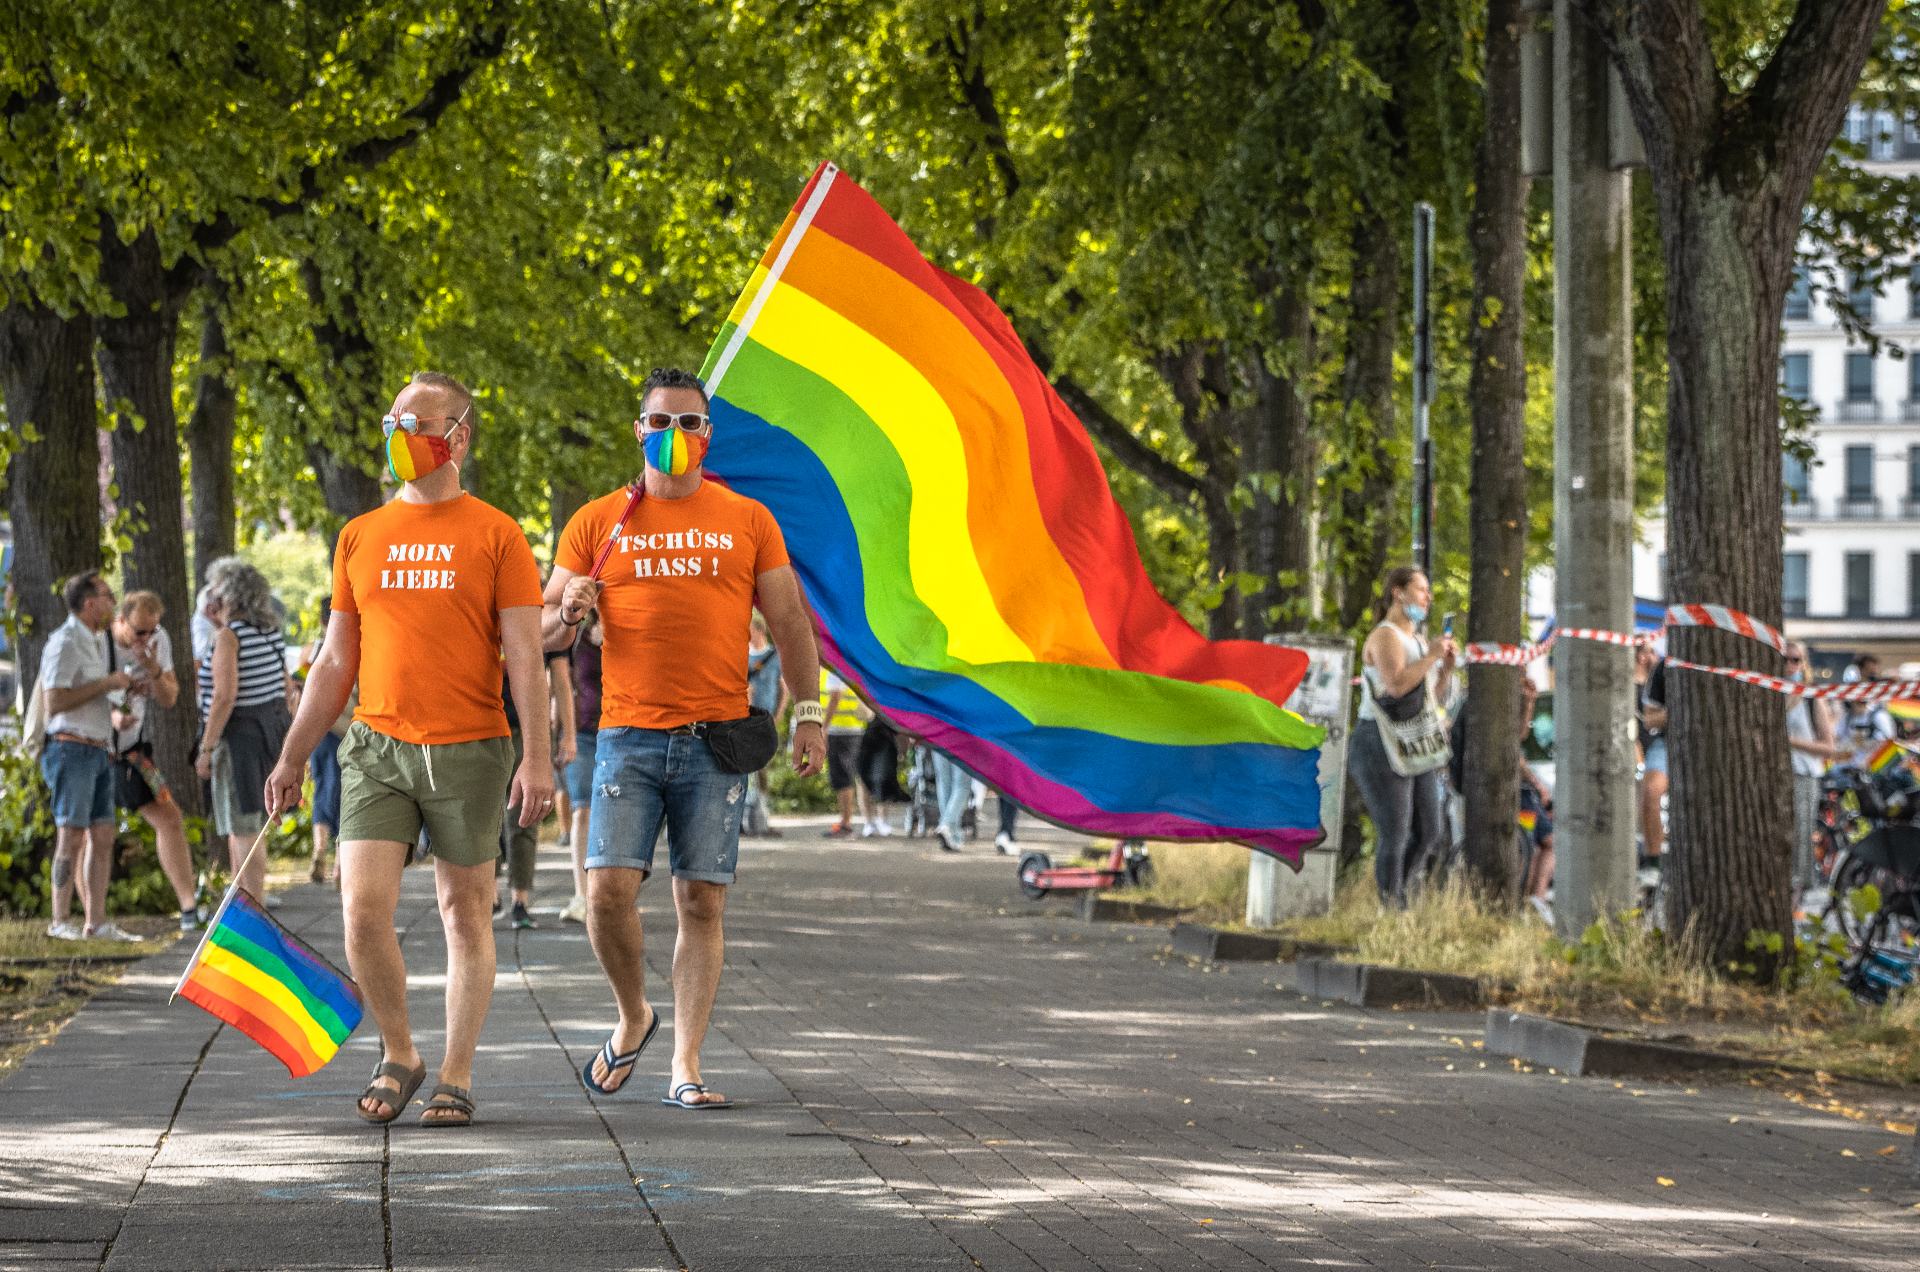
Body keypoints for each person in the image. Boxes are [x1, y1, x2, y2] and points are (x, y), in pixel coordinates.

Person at [265, 370, 553, 1128]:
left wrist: (540, 755)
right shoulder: (359, 535)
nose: (400, 432)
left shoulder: (497, 533)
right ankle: (401, 1051)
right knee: (361, 910)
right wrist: (293, 754)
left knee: (465, 913)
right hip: (377, 747)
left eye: (416, 420)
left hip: (471, 749)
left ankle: (455, 1071)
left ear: (457, 435)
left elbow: (525, 656)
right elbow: (334, 661)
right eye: (394, 417)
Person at [544, 366, 825, 1109]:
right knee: (606, 892)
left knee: (701, 901)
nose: (675, 436)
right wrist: (570, 611)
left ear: (708, 435)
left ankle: (687, 1064)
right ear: (639, 430)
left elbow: (791, 622)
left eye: (689, 424)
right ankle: (634, 1013)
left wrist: (809, 711)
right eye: (661, 423)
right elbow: (539, 626)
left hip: (715, 739)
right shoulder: (599, 520)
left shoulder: (747, 518)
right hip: (628, 735)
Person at [38, 573, 142, 942]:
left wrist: (114, 704)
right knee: (71, 835)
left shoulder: (94, 641)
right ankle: (60, 919)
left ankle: (95, 922)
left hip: (98, 749)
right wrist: (106, 684)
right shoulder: (64, 642)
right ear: (89, 603)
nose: (113, 602)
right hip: (71, 748)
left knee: (103, 835)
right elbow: (55, 702)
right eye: (107, 596)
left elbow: (90, 696)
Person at [1348, 566, 1455, 907]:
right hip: (1379, 741)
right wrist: (1431, 657)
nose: (1428, 598)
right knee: (1395, 833)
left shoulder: (1419, 641)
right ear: (1398, 592)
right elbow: (1395, 686)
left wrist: (1445, 668)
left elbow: (1429, 699)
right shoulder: (1385, 636)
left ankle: (1402, 898)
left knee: (1430, 831)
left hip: (1414, 742)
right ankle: (1390, 908)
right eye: (1422, 590)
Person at [195, 556, 295, 905]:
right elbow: (286, 687)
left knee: (241, 825)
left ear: (230, 596)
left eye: (216, 589)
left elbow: (224, 697)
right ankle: (248, 896)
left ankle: (250, 902)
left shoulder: (229, 637)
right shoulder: (270, 632)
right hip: (271, 730)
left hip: (239, 738)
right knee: (254, 820)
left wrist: (206, 749)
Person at [109, 591, 203, 931]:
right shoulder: (102, 642)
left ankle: (188, 906)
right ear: (121, 621)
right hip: (99, 747)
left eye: (152, 630)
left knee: (170, 816)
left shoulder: (157, 640)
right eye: (139, 632)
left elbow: (170, 696)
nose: (146, 638)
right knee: (93, 830)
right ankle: (87, 919)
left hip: (134, 750)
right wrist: (112, 716)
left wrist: (151, 665)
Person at [497, 637, 573, 928]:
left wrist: (568, 734)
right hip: (486, 726)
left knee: (525, 816)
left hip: (529, 730)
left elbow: (561, 678)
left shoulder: (548, 619)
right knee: (484, 815)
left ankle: (520, 900)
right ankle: (489, 896)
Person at [1784, 642, 1845, 897]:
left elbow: (1828, 746)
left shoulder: (1810, 698)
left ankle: (1797, 896)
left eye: (1796, 660)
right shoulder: (1768, 693)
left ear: (1803, 663)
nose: (1789, 665)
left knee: (1799, 835)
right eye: (1785, 659)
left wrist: (1791, 742)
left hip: (1803, 774)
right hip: (1775, 775)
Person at [301, 599, 354, 885]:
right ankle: (340, 863)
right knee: (349, 795)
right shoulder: (359, 645)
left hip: (321, 731)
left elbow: (300, 689)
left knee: (323, 790)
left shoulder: (312, 651)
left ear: (323, 621)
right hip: (350, 731)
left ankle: (319, 848)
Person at [559, 609, 603, 924]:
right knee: (582, 810)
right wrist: (567, 736)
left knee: (614, 814)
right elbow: (562, 684)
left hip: (625, 733)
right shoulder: (577, 638)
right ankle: (581, 894)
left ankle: (610, 896)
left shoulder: (630, 629)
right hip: (584, 733)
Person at [744, 614, 787, 838]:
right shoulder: (741, 656)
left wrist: (778, 715)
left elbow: (784, 689)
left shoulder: (774, 656)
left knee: (762, 766)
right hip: (743, 719)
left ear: (759, 630)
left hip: (766, 718)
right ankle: (744, 817)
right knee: (742, 765)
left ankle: (762, 814)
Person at [819, 668, 868, 837]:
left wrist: (824, 728)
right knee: (845, 775)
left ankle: (846, 823)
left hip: (840, 730)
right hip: (852, 727)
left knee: (842, 776)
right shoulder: (846, 665)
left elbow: (835, 697)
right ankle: (846, 820)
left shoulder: (834, 668)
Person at [1633, 642, 1668, 863]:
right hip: (1668, 742)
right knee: (1651, 790)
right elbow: (1649, 718)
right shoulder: (1663, 669)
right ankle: (1653, 861)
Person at [929, 750, 969, 853]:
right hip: (964, 738)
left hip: (938, 738)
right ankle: (947, 824)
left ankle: (953, 836)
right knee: (962, 785)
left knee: (943, 783)